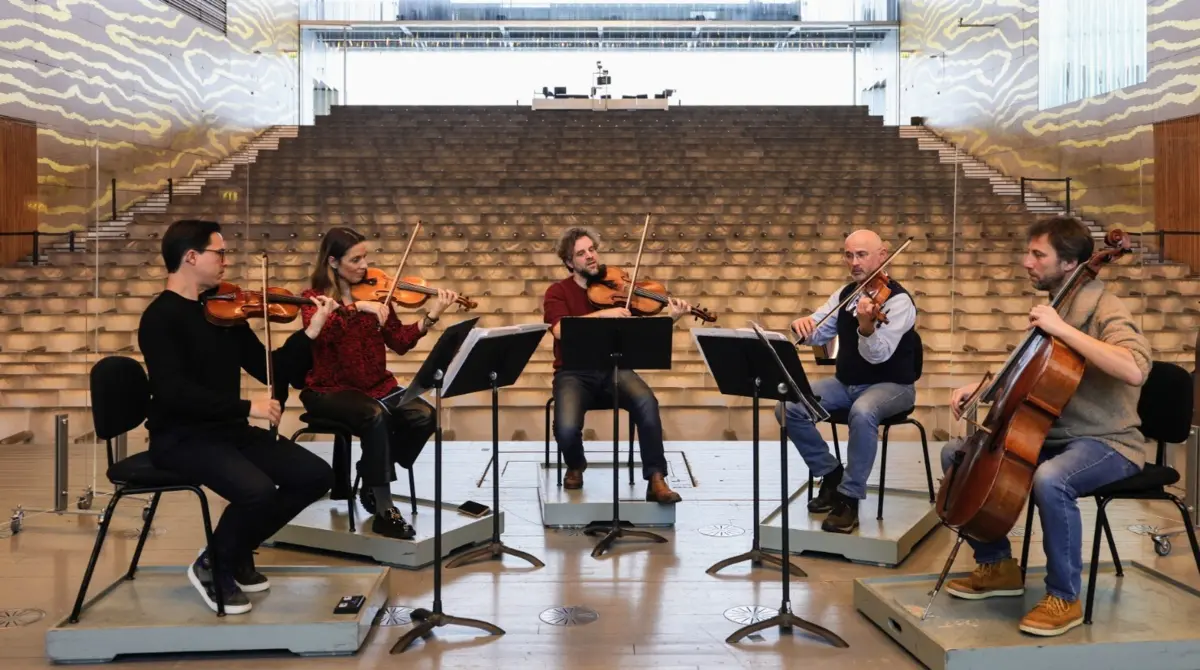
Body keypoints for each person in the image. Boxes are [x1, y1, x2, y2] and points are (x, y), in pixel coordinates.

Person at [941, 216, 1151, 637]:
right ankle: (996, 565)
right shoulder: (1058, 302)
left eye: (1038, 255)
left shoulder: (1104, 307)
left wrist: (1063, 331)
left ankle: (1064, 597)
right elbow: (1029, 369)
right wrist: (981, 387)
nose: (1026, 262)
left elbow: (1134, 369)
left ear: (1070, 263)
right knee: (956, 454)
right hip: (1055, 434)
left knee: (1051, 479)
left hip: (1109, 441)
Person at [138, 219, 339, 615]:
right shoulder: (160, 318)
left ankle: (236, 549)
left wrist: (312, 331)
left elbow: (273, 370)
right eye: (220, 252)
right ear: (191, 257)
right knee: (257, 491)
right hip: (181, 436)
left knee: (316, 476)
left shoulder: (224, 313)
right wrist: (249, 408)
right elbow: (174, 394)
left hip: (227, 430)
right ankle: (214, 562)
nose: (226, 261)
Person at [298, 227, 459, 540]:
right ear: (332, 261)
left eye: (365, 258)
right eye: (355, 259)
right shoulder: (314, 299)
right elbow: (322, 332)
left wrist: (431, 316)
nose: (364, 266)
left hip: (377, 386)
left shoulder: (378, 295)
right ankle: (384, 509)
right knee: (376, 416)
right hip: (330, 390)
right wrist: (357, 308)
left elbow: (399, 341)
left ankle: (369, 474)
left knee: (424, 416)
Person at [777, 229, 921, 534]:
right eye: (849, 255)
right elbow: (817, 330)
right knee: (789, 405)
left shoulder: (899, 302)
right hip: (846, 383)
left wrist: (866, 327)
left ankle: (850, 497)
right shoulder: (846, 295)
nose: (854, 262)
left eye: (862, 255)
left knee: (863, 411)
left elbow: (878, 357)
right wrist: (801, 325)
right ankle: (830, 474)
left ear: (882, 256)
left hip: (893, 386)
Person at [543, 226, 687, 504]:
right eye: (581, 253)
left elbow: (643, 335)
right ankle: (576, 464)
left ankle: (656, 478)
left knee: (647, 402)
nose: (591, 257)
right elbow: (560, 330)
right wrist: (604, 315)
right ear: (569, 262)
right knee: (565, 428)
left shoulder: (618, 288)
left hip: (615, 369)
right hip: (573, 372)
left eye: (592, 250)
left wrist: (674, 318)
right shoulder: (558, 292)